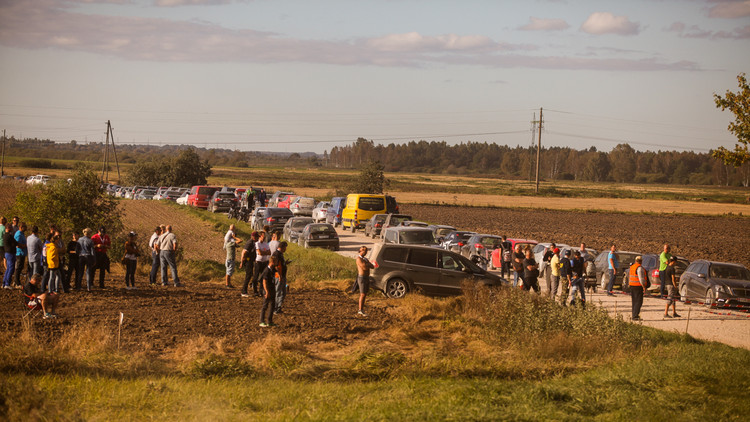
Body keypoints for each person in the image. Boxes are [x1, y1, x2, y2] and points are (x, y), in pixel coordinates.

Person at [259, 255, 277, 327]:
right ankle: (261, 321)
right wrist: (266, 291)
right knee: (265, 306)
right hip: (267, 289)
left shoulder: (272, 269)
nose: (277, 263)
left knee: (272, 305)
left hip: (272, 289)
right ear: (272, 262)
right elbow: (264, 282)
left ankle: (270, 321)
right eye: (276, 262)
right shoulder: (267, 270)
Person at [356, 246, 374, 317]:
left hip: (366, 277)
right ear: (360, 251)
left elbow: (372, 266)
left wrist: (368, 265)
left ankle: (362, 309)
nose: (365, 252)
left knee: (365, 294)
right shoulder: (358, 259)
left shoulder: (365, 259)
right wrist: (368, 265)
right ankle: (360, 310)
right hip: (362, 278)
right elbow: (364, 267)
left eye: (366, 250)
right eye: (363, 250)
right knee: (362, 294)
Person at [240, 232, 259, 298]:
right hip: (248, 261)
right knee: (248, 275)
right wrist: (242, 262)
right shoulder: (250, 243)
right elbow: (244, 252)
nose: (258, 238)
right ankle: (244, 291)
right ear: (254, 237)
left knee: (250, 275)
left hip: (250, 261)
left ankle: (245, 290)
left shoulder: (253, 242)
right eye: (257, 237)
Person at [252, 231, 271, 296]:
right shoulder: (257, 244)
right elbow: (260, 253)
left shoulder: (266, 244)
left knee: (263, 276)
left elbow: (269, 252)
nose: (264, 238)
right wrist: (264, 252)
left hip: (264, 262)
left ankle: (261, 290)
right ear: (260, 237)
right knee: (256, 276)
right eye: (263, 236)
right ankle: (255, 290)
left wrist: (263, 252)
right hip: (258, 262)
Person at [629, 256, 647, 321]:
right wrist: (644, 286)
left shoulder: (632, 267)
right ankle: (635, 316)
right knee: (638, 302)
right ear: (641, 261)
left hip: (632, 285)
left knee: (634, 301)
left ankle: (634, 314)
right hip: (638, 286)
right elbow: (641, 278)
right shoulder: (639, 268)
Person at [272, 241, 289, 314]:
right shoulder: (277, 254)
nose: (285, 249)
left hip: (282, 276)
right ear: (282, 247)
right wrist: (279, 275)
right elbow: (276, 266)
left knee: (283, 292)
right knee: (278, 292)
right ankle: (276, 308)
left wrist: (285, 263)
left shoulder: (280, 254)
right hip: (279, 276)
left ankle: (278, 307)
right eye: (285, 247)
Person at [13, 222, 27, 288]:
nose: (26, 228)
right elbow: (17, 244)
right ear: (21, 227)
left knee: (20, 267)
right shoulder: (18, 234)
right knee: (18, 268)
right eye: (25, 227)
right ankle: (16, 282)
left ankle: (16, 281)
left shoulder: (22, 234)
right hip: (19, 253)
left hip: (22, 253)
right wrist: (25, 246)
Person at [3, 223, 16, 289]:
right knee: (11, 269)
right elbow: (15, 242)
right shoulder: (9, 236)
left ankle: (4, 283)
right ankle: (7, 283)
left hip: (7, 253)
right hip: (10, 253)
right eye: (11, 227)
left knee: (8, 269)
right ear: (8, 228)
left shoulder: (5, 235)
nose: (12, 228)